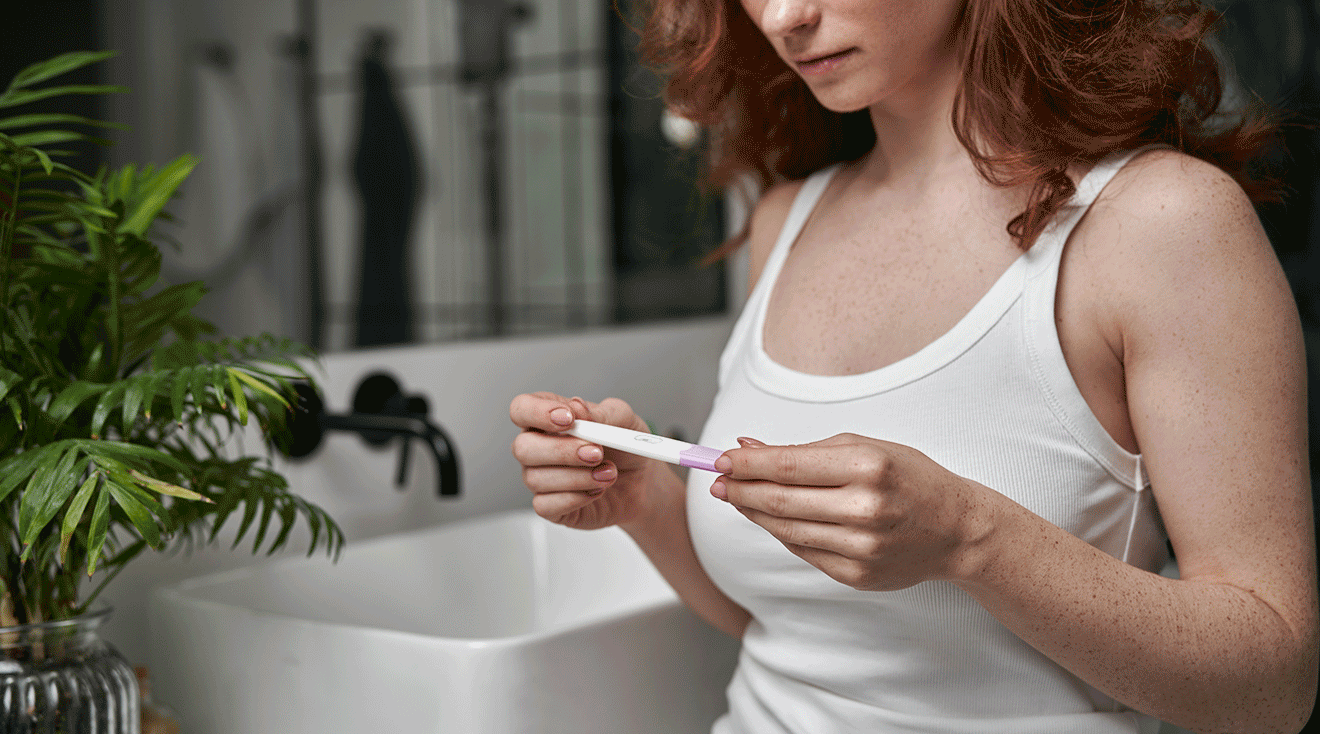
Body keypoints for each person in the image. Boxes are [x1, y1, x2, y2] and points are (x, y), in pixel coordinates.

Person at [510, 0, 1319, 731]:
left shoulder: (1158, 222)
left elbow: (1273, 691)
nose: (784, 16)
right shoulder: (786, 221)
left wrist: (971, 538)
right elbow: (800, 630)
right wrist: (644, 498)